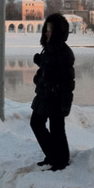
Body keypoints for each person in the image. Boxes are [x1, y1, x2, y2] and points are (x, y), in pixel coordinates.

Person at [30, 13, 76, 171]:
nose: (47, 33)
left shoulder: (64, 53)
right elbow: (46, 71)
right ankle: (53, 155)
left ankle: (61, 160)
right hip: (44, 95)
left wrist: (65, 103)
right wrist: (40, 65)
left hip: (56, 98)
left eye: (50, 30)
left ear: (58, 32)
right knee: (36, 123)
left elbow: (67, 80)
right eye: (46, 29)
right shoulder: (48, 50)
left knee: (57, 129)